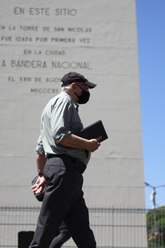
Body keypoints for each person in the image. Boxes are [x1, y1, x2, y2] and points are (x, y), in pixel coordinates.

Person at [30, 72, 101, 248]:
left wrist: (41, 174)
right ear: (75, 86)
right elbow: (60, 135)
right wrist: (87, 144)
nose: (87, 91)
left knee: (81, 229)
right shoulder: (65, 101)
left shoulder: (51, 107)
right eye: (85, 88)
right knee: (47, 225)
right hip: (65, 170)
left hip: (68, 174)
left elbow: (41, 147)